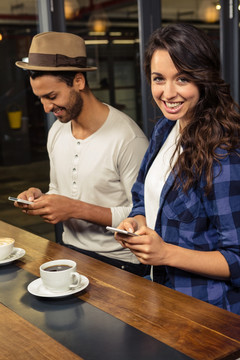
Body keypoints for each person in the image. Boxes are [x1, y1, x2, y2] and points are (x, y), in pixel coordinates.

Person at [115, 23, 240, 314]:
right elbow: (143, 198)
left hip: (209, 311)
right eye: (159, 79)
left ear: (204, 79)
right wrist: (136, 223)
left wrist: (165, 253)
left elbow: (236, 258)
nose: (168, 93)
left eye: (182, 79)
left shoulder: (224, 151)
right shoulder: (164, 129)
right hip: (163, 296)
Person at [14, 31, 149, 276]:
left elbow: (142, 214)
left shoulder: (128, 139)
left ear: (78, 81)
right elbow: (59, 189)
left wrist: (73, 208)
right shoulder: (57, 131)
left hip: (121, 264)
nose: (46, 108)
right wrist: (42, 198)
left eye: (52, 96)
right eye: (40, 98)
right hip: (69, 255)